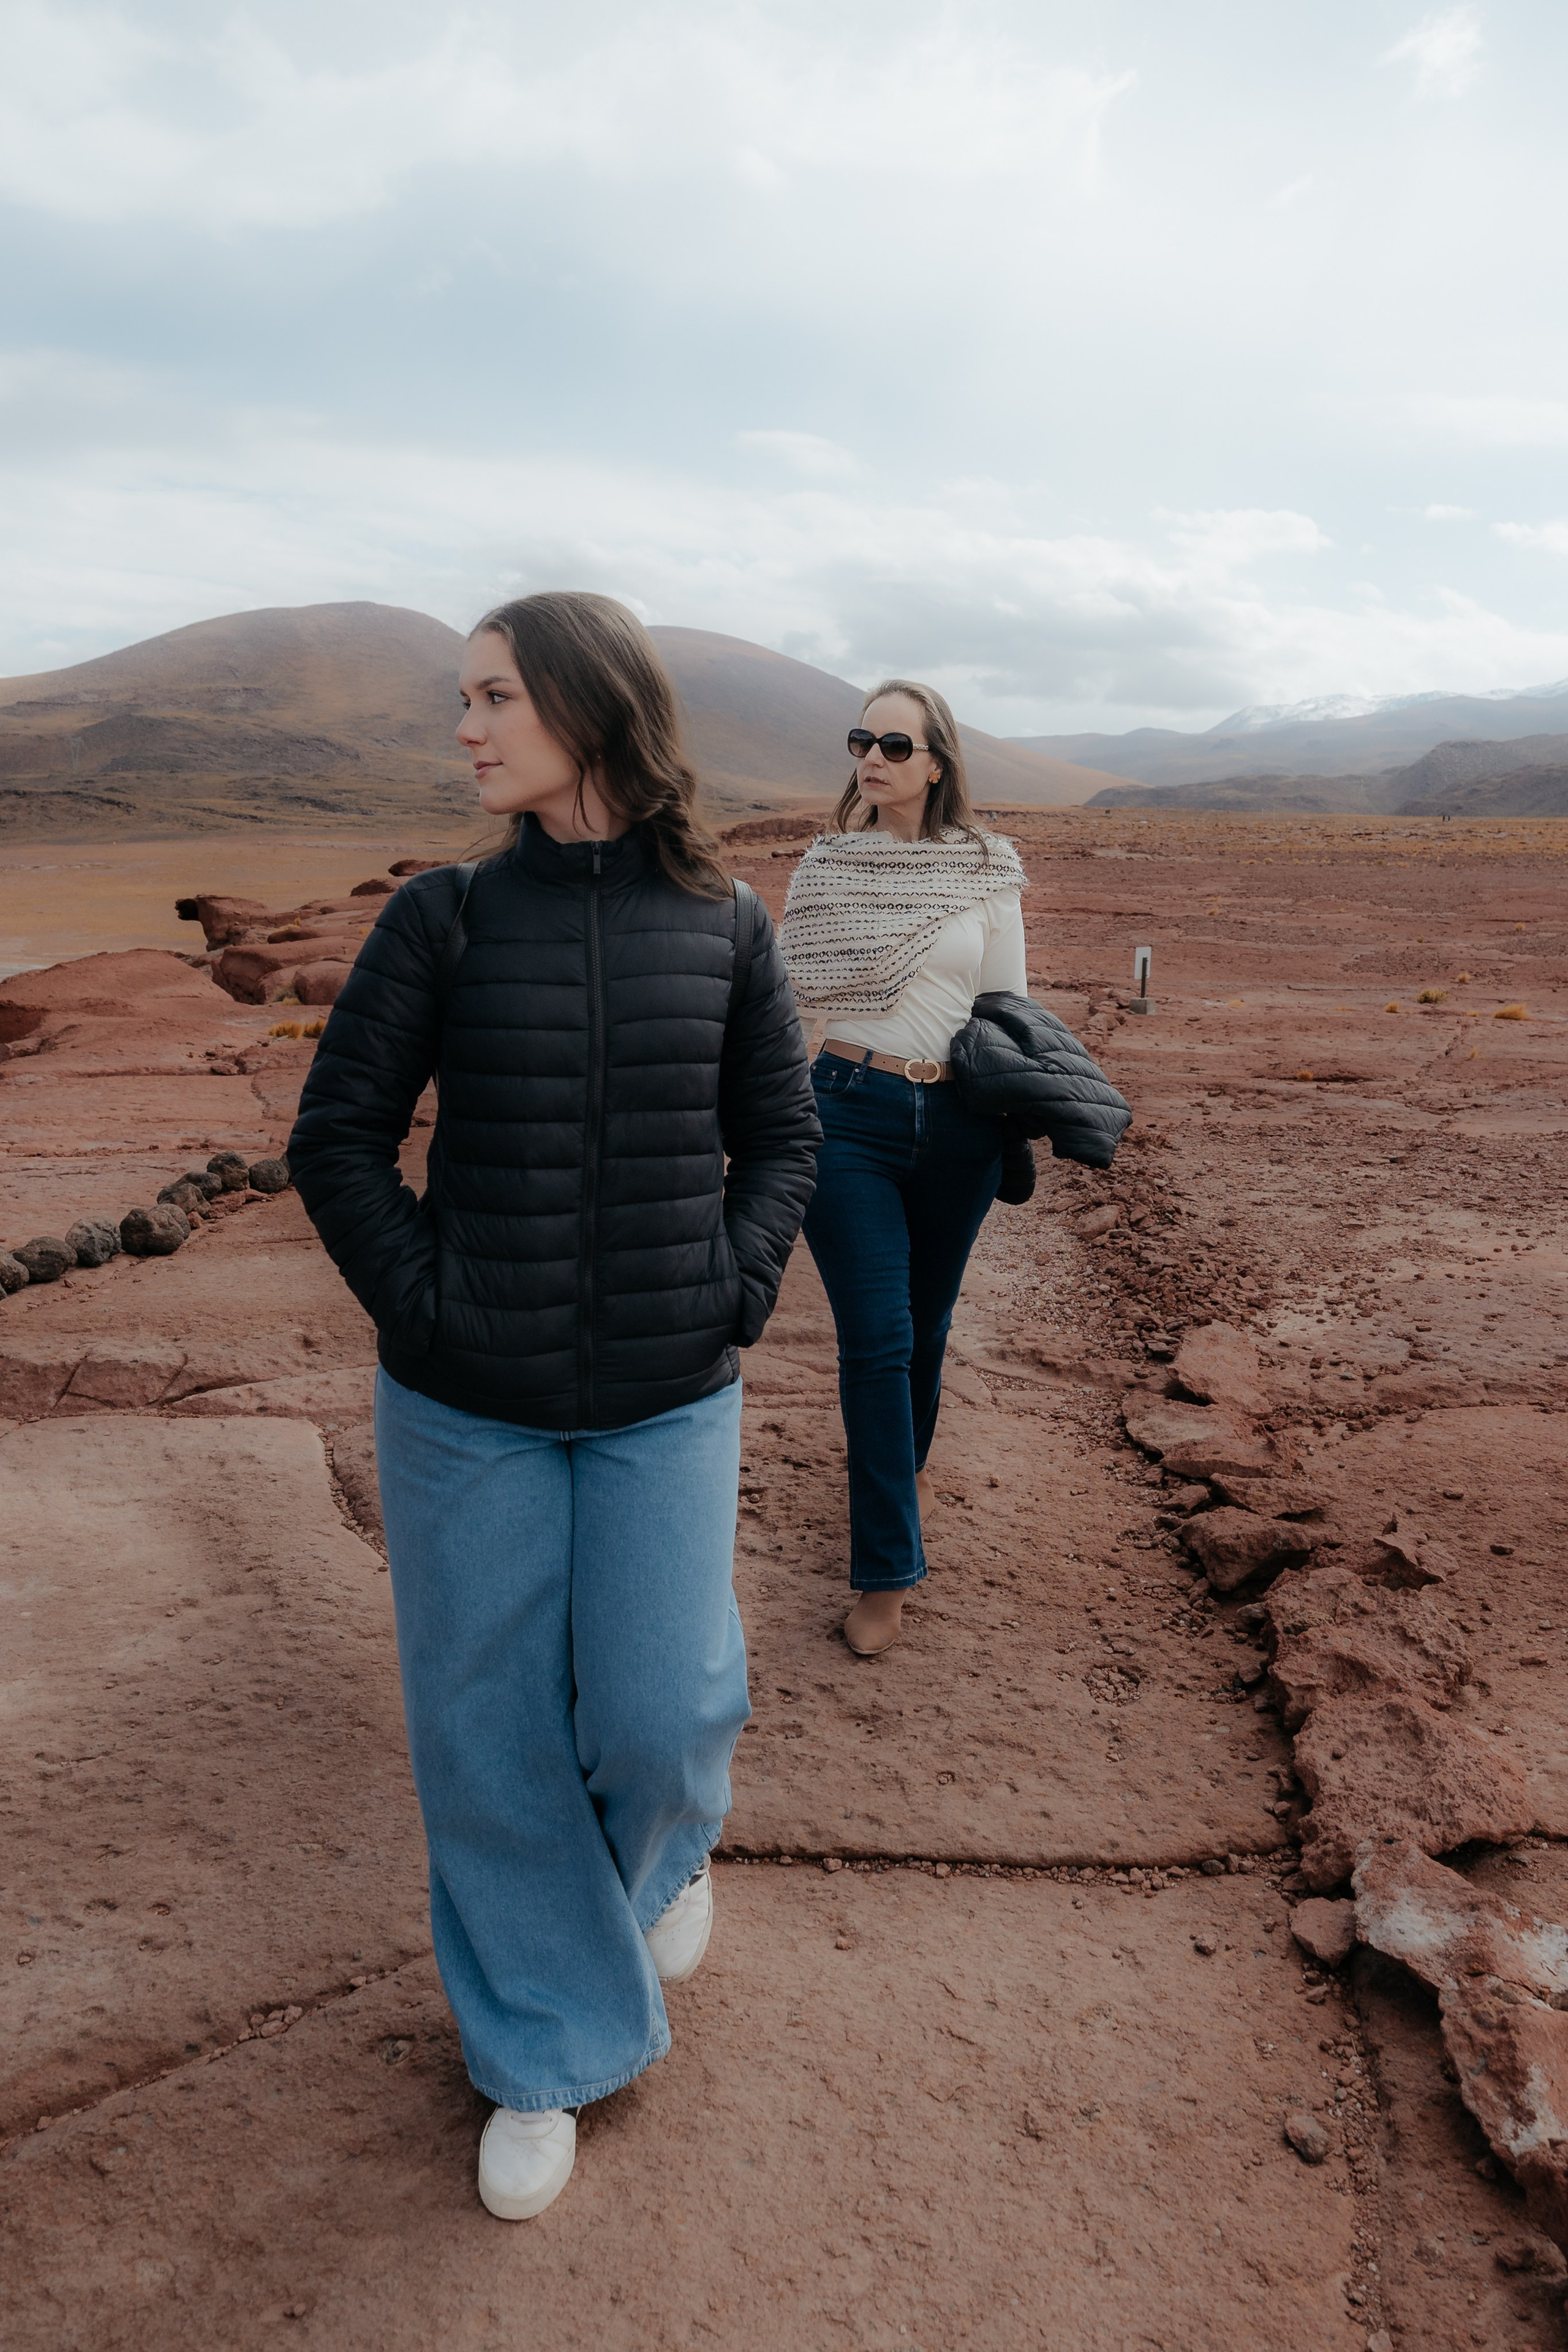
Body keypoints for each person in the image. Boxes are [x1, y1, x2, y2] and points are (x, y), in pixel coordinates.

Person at [288, 592, 819, 2222]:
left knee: (658, 1711)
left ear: (589, 710)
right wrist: (433, 1306)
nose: (465, 725)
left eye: (495, 695)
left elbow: (783, 1131)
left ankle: (659, 1863)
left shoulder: (725, 922)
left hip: (669, 1392)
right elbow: (338, 1140)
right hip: (469, 1404)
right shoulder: (441, 921)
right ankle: (540, 2050)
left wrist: (730, 1289)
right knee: (488, 1733)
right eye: (465, 696)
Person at [779, 680, 1027, 1658]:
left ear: (936, 762)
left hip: (959, 1121)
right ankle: (885, 1570)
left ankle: (899, 1469)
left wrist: (1017, 1120)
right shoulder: (828, 865)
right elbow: (787, 998)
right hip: (847, 1113)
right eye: (861, 740)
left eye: (894, 743)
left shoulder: (986, 869)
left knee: (927, 1328)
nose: (872, 757)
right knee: (877, 1338)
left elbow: (1008, 1009)